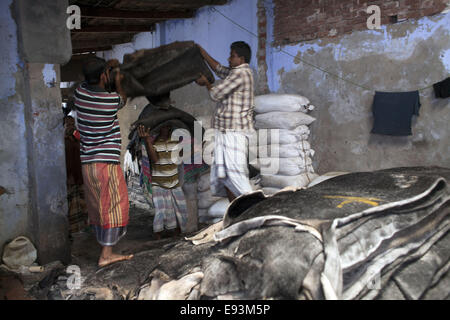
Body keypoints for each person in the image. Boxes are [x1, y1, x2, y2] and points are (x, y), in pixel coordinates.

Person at [74, 57, 133, 267]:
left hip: (88, 164)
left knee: (99, 206)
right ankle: (106, 255)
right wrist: (116, 78)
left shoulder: (79, 94)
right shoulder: (109, 101)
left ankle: (105, 249)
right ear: (103, 76)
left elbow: (87, 83)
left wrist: (105, 68)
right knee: (115, 205)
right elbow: (123, 98)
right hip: (105, 163)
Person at [195, 41, 255, 202]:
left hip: (234, 133)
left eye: (232, 55)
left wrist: (206, 83)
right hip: (226, 132)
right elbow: (219, 69)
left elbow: (216, 94)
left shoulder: (241, 74)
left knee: (236, 176)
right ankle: (235, 211)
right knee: (225, 176)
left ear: (241, 59)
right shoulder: (236, 72)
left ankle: (252, 208)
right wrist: (202, 52)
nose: (229, 58)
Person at [138, 124, 188, 239]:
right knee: (160, 210)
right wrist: (146, 140)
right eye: (164, 126)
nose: (167, 129)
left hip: (174, 182)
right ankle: (158, 235)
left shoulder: (175, 141)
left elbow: (180, 157)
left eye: (168, 126)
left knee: (180, 208)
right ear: (159, 128)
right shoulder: (154, 143)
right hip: (158, 183)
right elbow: (155, 160)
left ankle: (177, 233)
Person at [63, 115, 88, 235]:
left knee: (83, 205)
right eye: (68, 124)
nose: (71, 127)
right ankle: (72, 231)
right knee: (71, 207)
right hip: (69, 179)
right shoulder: (61, 142)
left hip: (80, 178)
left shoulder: (77, 140)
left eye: (72, 124)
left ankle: (83, 227)